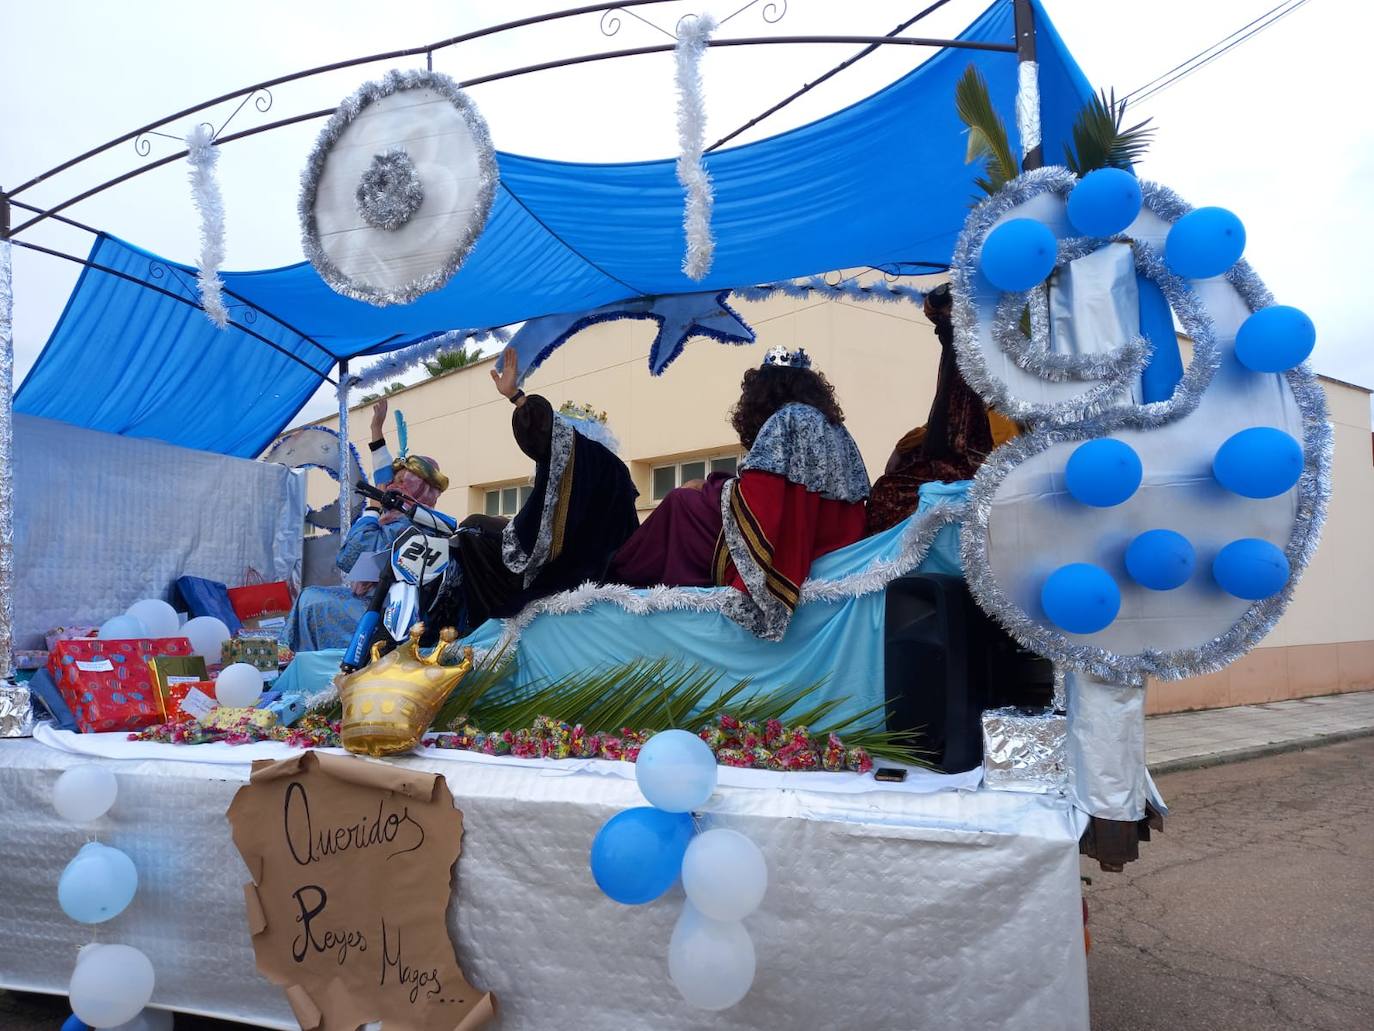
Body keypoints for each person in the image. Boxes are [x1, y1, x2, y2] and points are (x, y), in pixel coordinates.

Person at [610, 346, 869, 641]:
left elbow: (762, 499)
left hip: (791, 536)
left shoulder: (784, 420)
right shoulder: (835, 427)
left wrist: (711, 489)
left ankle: (616, 575)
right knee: (693, 495)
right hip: (831, 532)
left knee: (680, 502)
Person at [452, 348, 641, 628]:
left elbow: (543, 434)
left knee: (472, 530)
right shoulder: (605, 468)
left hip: (573, 574)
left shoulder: (582, 458)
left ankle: (482, 626)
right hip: (604, 570)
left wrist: (517, 398)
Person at [280, 400, 449, 651]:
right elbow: (382, 476)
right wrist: (376, 431)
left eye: (403, 482)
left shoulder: (408, 524)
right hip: (384, 605)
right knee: (312, 595)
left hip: (389, 617)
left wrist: (371, 508)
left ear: (420, 488)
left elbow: (349, 556)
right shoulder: (419, 520)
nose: (392, 486)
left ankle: (296, 664)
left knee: (310, 601)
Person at [866, 283, 1008, 534]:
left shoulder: (991, 361)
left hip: (982, 462)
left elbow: (1003, 429)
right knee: (889, 485)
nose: (942, 327)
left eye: (949, 317)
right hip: (952, 458)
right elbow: (948, 420)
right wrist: (905, 445)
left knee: (894, 493)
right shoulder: (955, 361)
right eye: (941, 320)